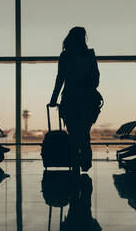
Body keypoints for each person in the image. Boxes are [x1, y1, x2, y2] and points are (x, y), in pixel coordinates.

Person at [49, 27, 102, 172]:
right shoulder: (90, 55)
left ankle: (75, 164)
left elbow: (60, 79)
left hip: (70, 99)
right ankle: (85, 161)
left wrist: (53, 99)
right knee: (84, 132)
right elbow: (96, 79)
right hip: (87, 100)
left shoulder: (65, 56)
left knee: (73, 134)